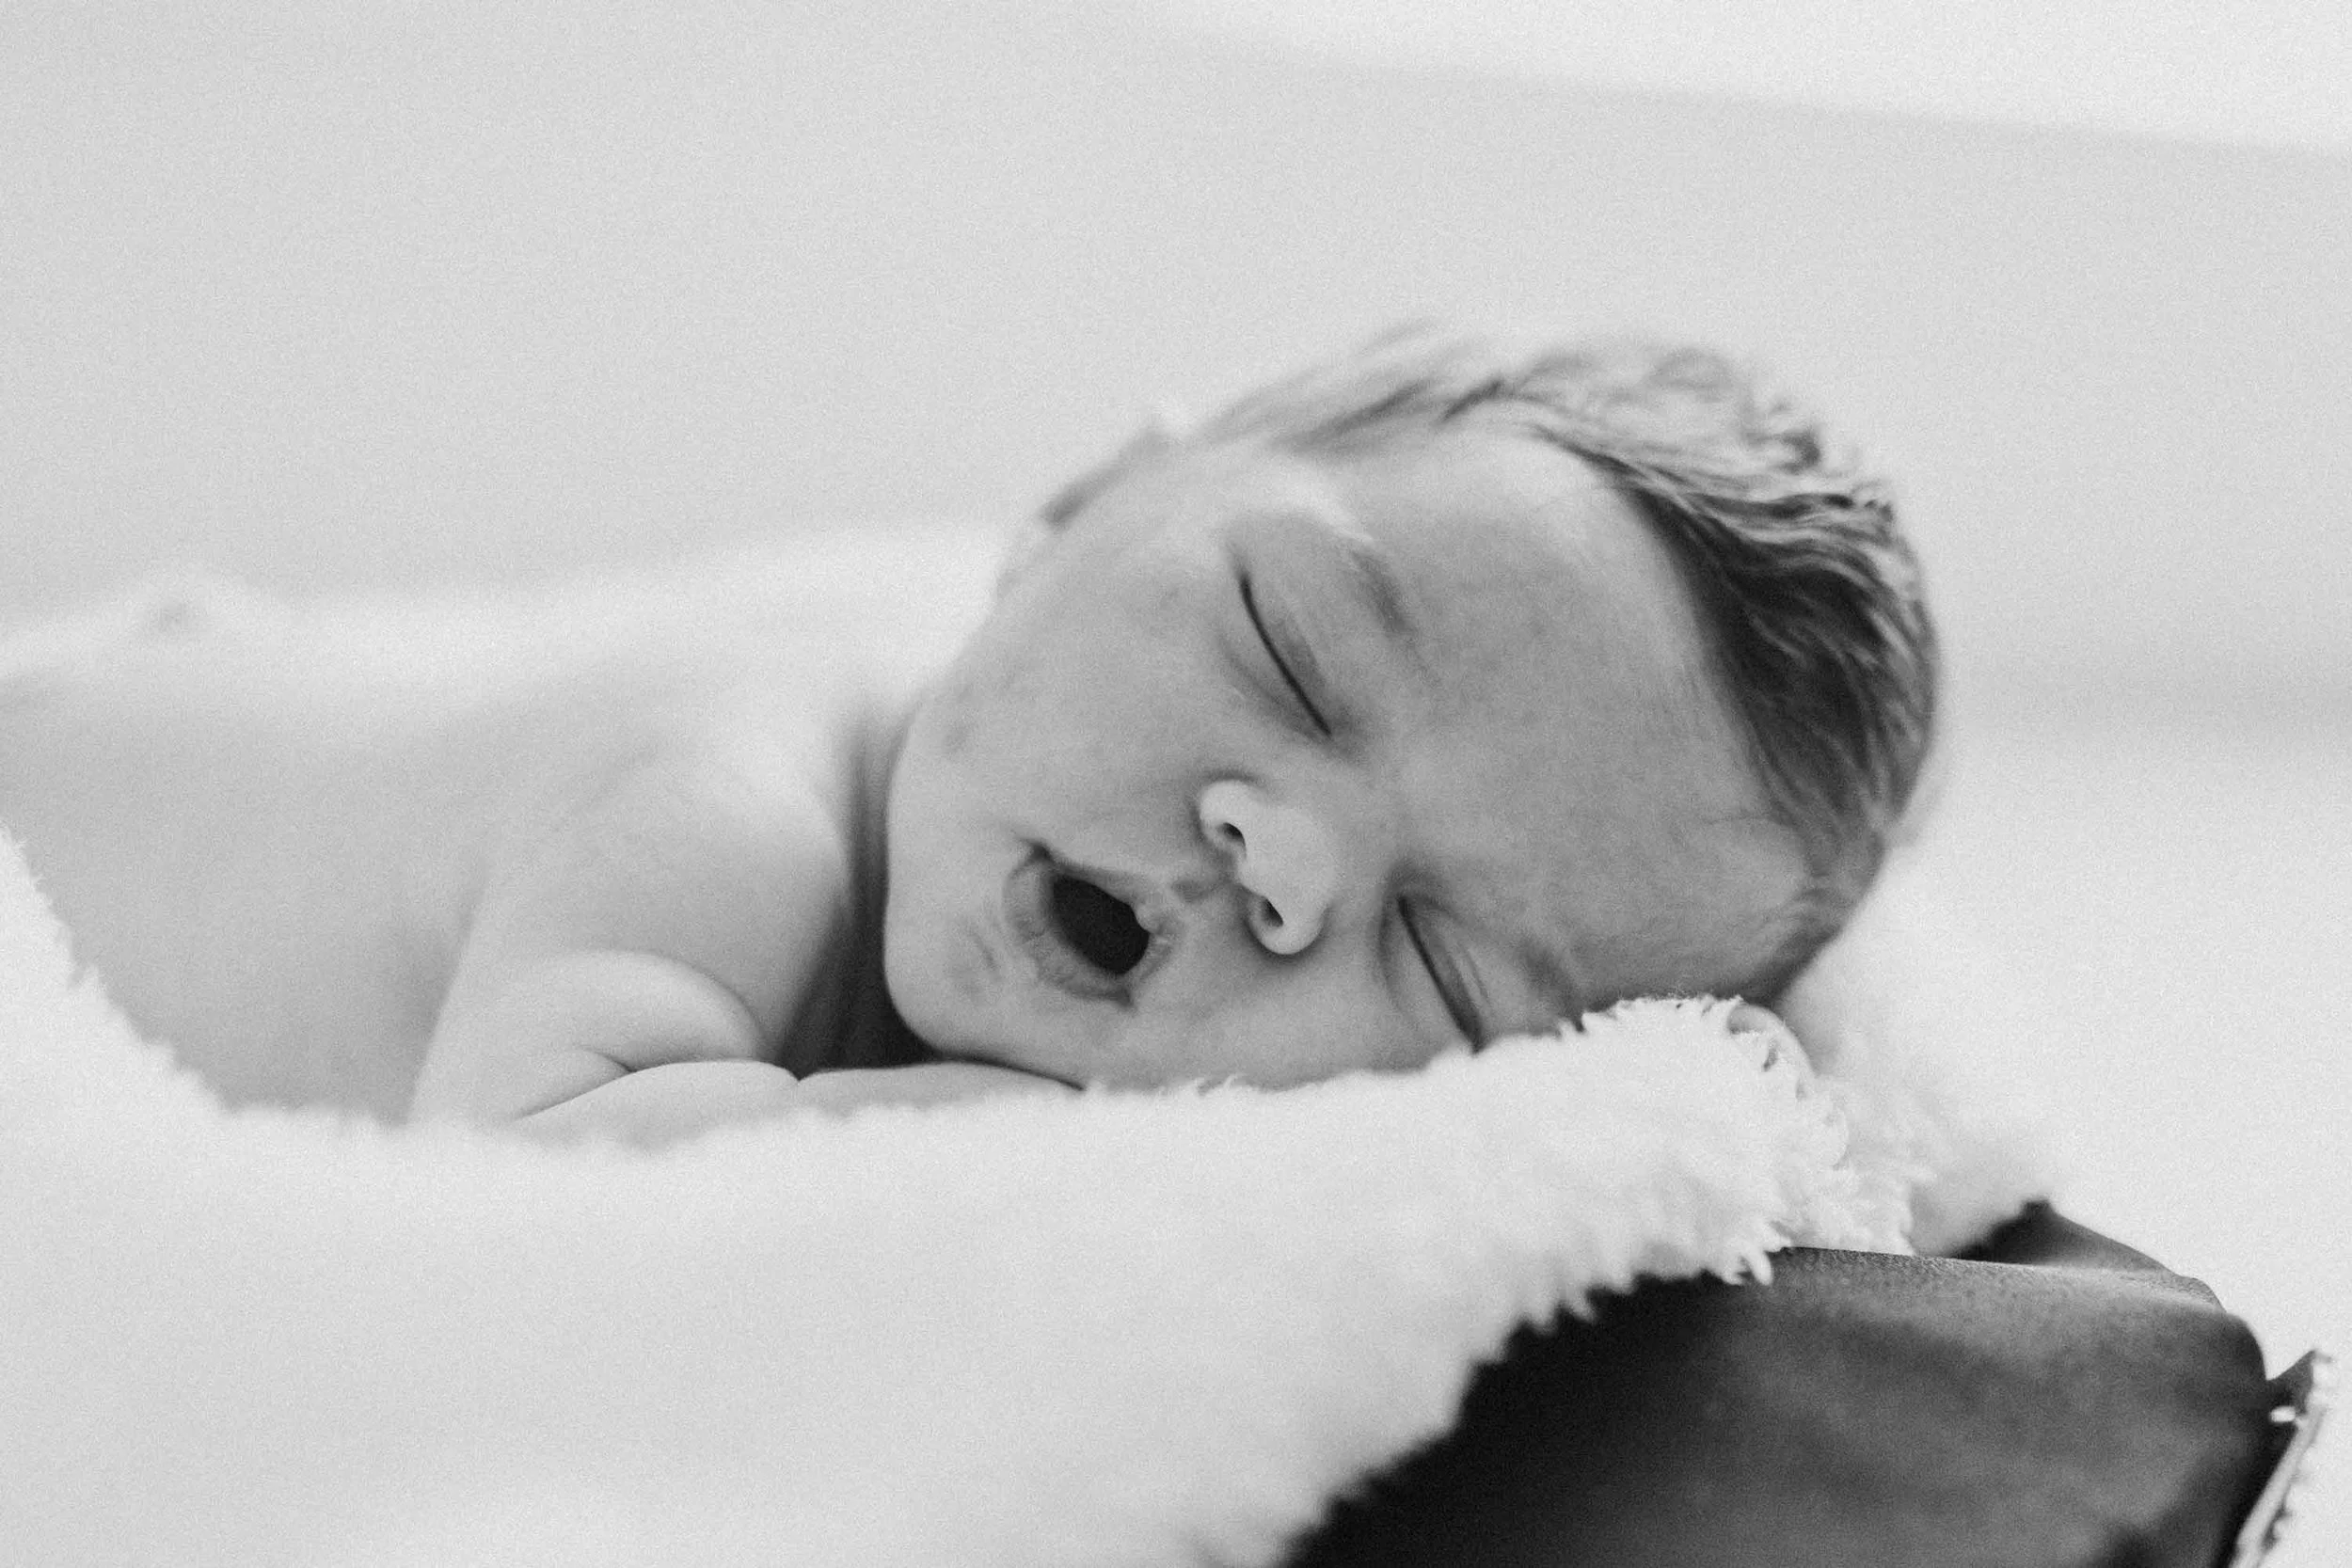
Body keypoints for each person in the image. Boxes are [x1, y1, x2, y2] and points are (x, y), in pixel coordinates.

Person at [0, 328, 1936, 1146]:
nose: (1287, 855)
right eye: (1290, 648)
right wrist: (1047, 1142)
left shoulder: (1034, 722)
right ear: (1079, 502)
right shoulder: (719, 811)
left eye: (1437, 954)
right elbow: (512, 1185)